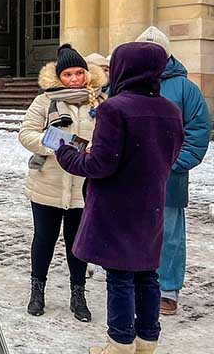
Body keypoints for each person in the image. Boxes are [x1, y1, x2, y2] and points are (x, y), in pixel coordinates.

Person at [55, 42, 184, 354]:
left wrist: (66, 153)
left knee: (120, 276)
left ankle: (120, 342)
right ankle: (147, 339)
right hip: (149, 203)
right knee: (147, 274)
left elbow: (100, 164)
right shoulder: (169, 110)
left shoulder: (115, 108)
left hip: (116, 206)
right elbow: (170, 154)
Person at [18, 43, 108, 322]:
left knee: (78, 243)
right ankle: (37, 289)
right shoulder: (45, 101)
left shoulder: (99, 102)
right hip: (48, 183)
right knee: (43, 239)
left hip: (84, 187)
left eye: (78, 73)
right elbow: (26, 134)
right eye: (67, 75)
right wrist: (67, 145)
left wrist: (97, 151)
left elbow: (109, 137)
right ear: (59, 77)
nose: (74, 79)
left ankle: (78, 293)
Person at [136, 26, 212, 316]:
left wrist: (174, 163)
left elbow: (198, 131)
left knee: (168, 235)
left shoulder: (185, 88)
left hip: (169, 178)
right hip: (131, 177)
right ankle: (135, 282)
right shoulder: (125, 82)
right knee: (132, 231)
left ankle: (167, 290)